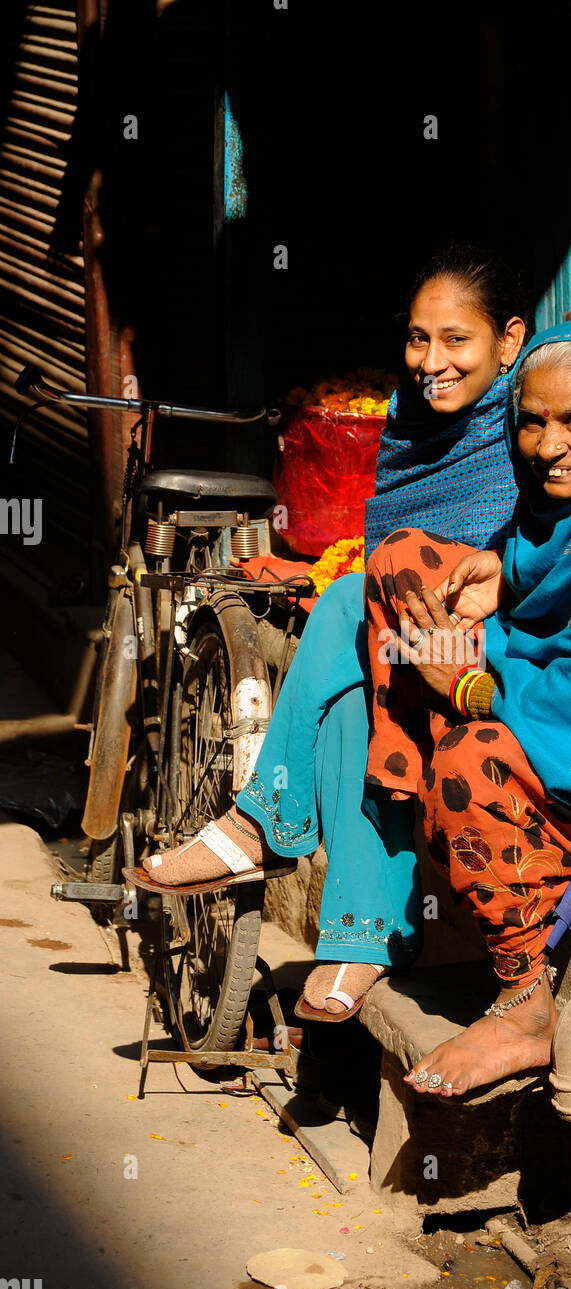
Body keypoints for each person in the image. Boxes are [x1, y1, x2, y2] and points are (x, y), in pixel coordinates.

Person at [132, 245, 528, 1020]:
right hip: (406, 639)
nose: (431, 362)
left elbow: (542, 561)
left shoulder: (533, 417)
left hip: (499, 656)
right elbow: (398, 557)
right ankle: (357, 941)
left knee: (348, 596)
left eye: (457, 340)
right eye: (418, 338)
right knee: (352, 701)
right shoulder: (411, 425)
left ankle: (260, 822)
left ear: (508, 343)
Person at [360, 319, 571, 1097]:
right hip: (535, 693)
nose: (547, 445)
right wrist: (499, 569)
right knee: (403, 562)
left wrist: (466, 688)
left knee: (466, 767)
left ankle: (525, 998)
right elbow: (545, 576)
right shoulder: (563, 506)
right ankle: (411, 791)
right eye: (531, 420)